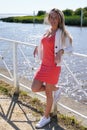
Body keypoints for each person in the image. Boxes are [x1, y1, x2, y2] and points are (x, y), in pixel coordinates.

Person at [31, 8, 73, 128]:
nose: (53, 20)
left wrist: (61, 51)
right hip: (43, 65)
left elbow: (70, 48)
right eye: (51, 17)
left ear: (60, 19)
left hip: (53, 67)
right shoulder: (47, 30)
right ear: (49, 19)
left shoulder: (62, 32)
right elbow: (44, 43)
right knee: (34, 88)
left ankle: (46, 117)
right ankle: (56, 89)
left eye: (55, 17)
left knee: (48, 93)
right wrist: (37, 46)